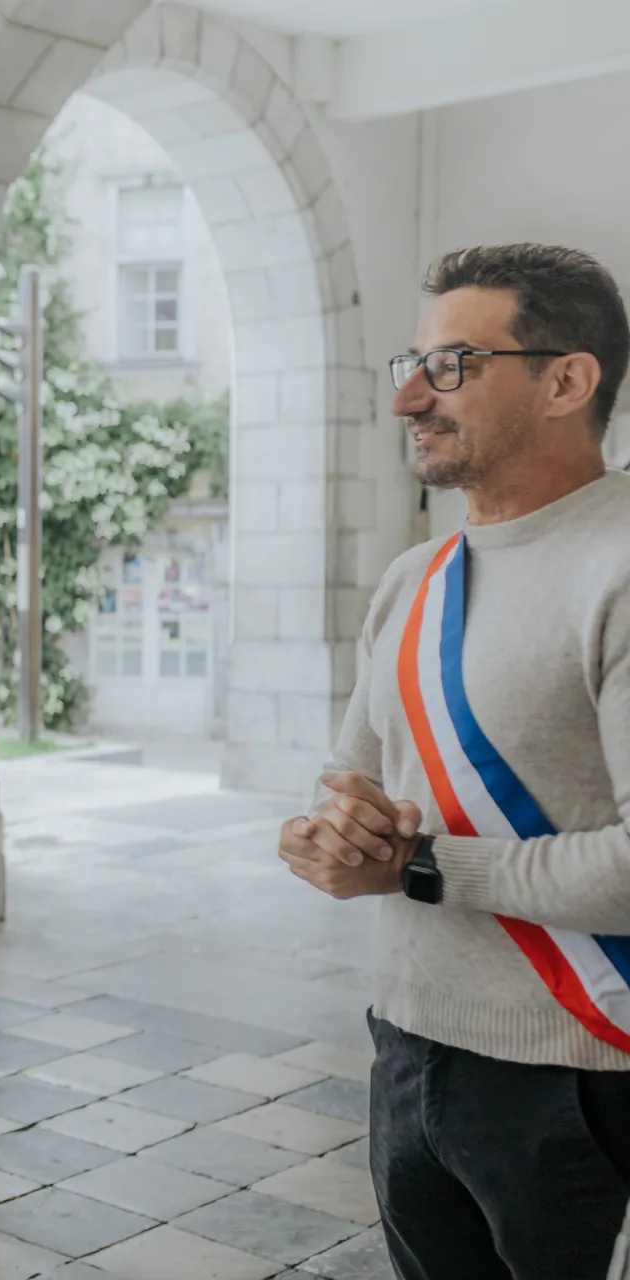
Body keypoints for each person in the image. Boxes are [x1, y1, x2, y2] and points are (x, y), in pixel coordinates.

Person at [277, 243, 630, 1279]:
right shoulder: (413, 577)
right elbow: (349, 780)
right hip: (406, 1042)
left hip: (568, 1066)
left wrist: (426, 868)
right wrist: (323, 838)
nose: (411, 399)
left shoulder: (619, 567)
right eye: (412, 364)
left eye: (455, 365)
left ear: (567, 379)